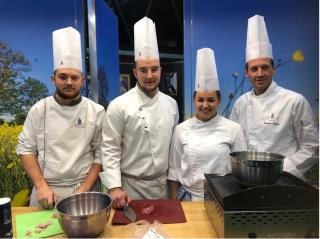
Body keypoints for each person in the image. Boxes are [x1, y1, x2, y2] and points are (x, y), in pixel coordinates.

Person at [16, 27, 104, 209]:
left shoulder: (96, 111)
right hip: (46, 191)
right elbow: (26, 149)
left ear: (83, 80)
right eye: (63, 77)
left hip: (84, 189)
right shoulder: (39, 109)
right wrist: (41, 186)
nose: (69, 82)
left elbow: (101, 154)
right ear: (53, 78)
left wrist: (85, 189)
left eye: (74, 77)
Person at [99, 17, 179, 208]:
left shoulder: (171, 104)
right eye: (144, 70)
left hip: (163, 187)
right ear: (135, 72)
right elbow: (110, 148)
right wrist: (114, 187)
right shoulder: (119, 105)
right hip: (129, 189)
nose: (149, 76)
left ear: (161, 70)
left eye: (154, 69)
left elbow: (174, 149)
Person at [229, 15, 319, 179]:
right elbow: (234, 144)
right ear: (246, 73)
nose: (260, 74)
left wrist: (281, 170)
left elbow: (312, 147)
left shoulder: (294, 101)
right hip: (245, 180)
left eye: (265, 67)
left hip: (284, 180)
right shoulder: (240, 104)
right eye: (254, 69)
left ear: (273, 69)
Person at [168, 48, 247, 201]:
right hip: (188, 198)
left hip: (222, 198)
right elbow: (174, 171)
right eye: (200, 100)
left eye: (211, 100)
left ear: (219, 101)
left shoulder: (233, 129)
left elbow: (241, 170)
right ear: (194, 101)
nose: (205, 105)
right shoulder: (181, 129)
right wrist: (173, 204)